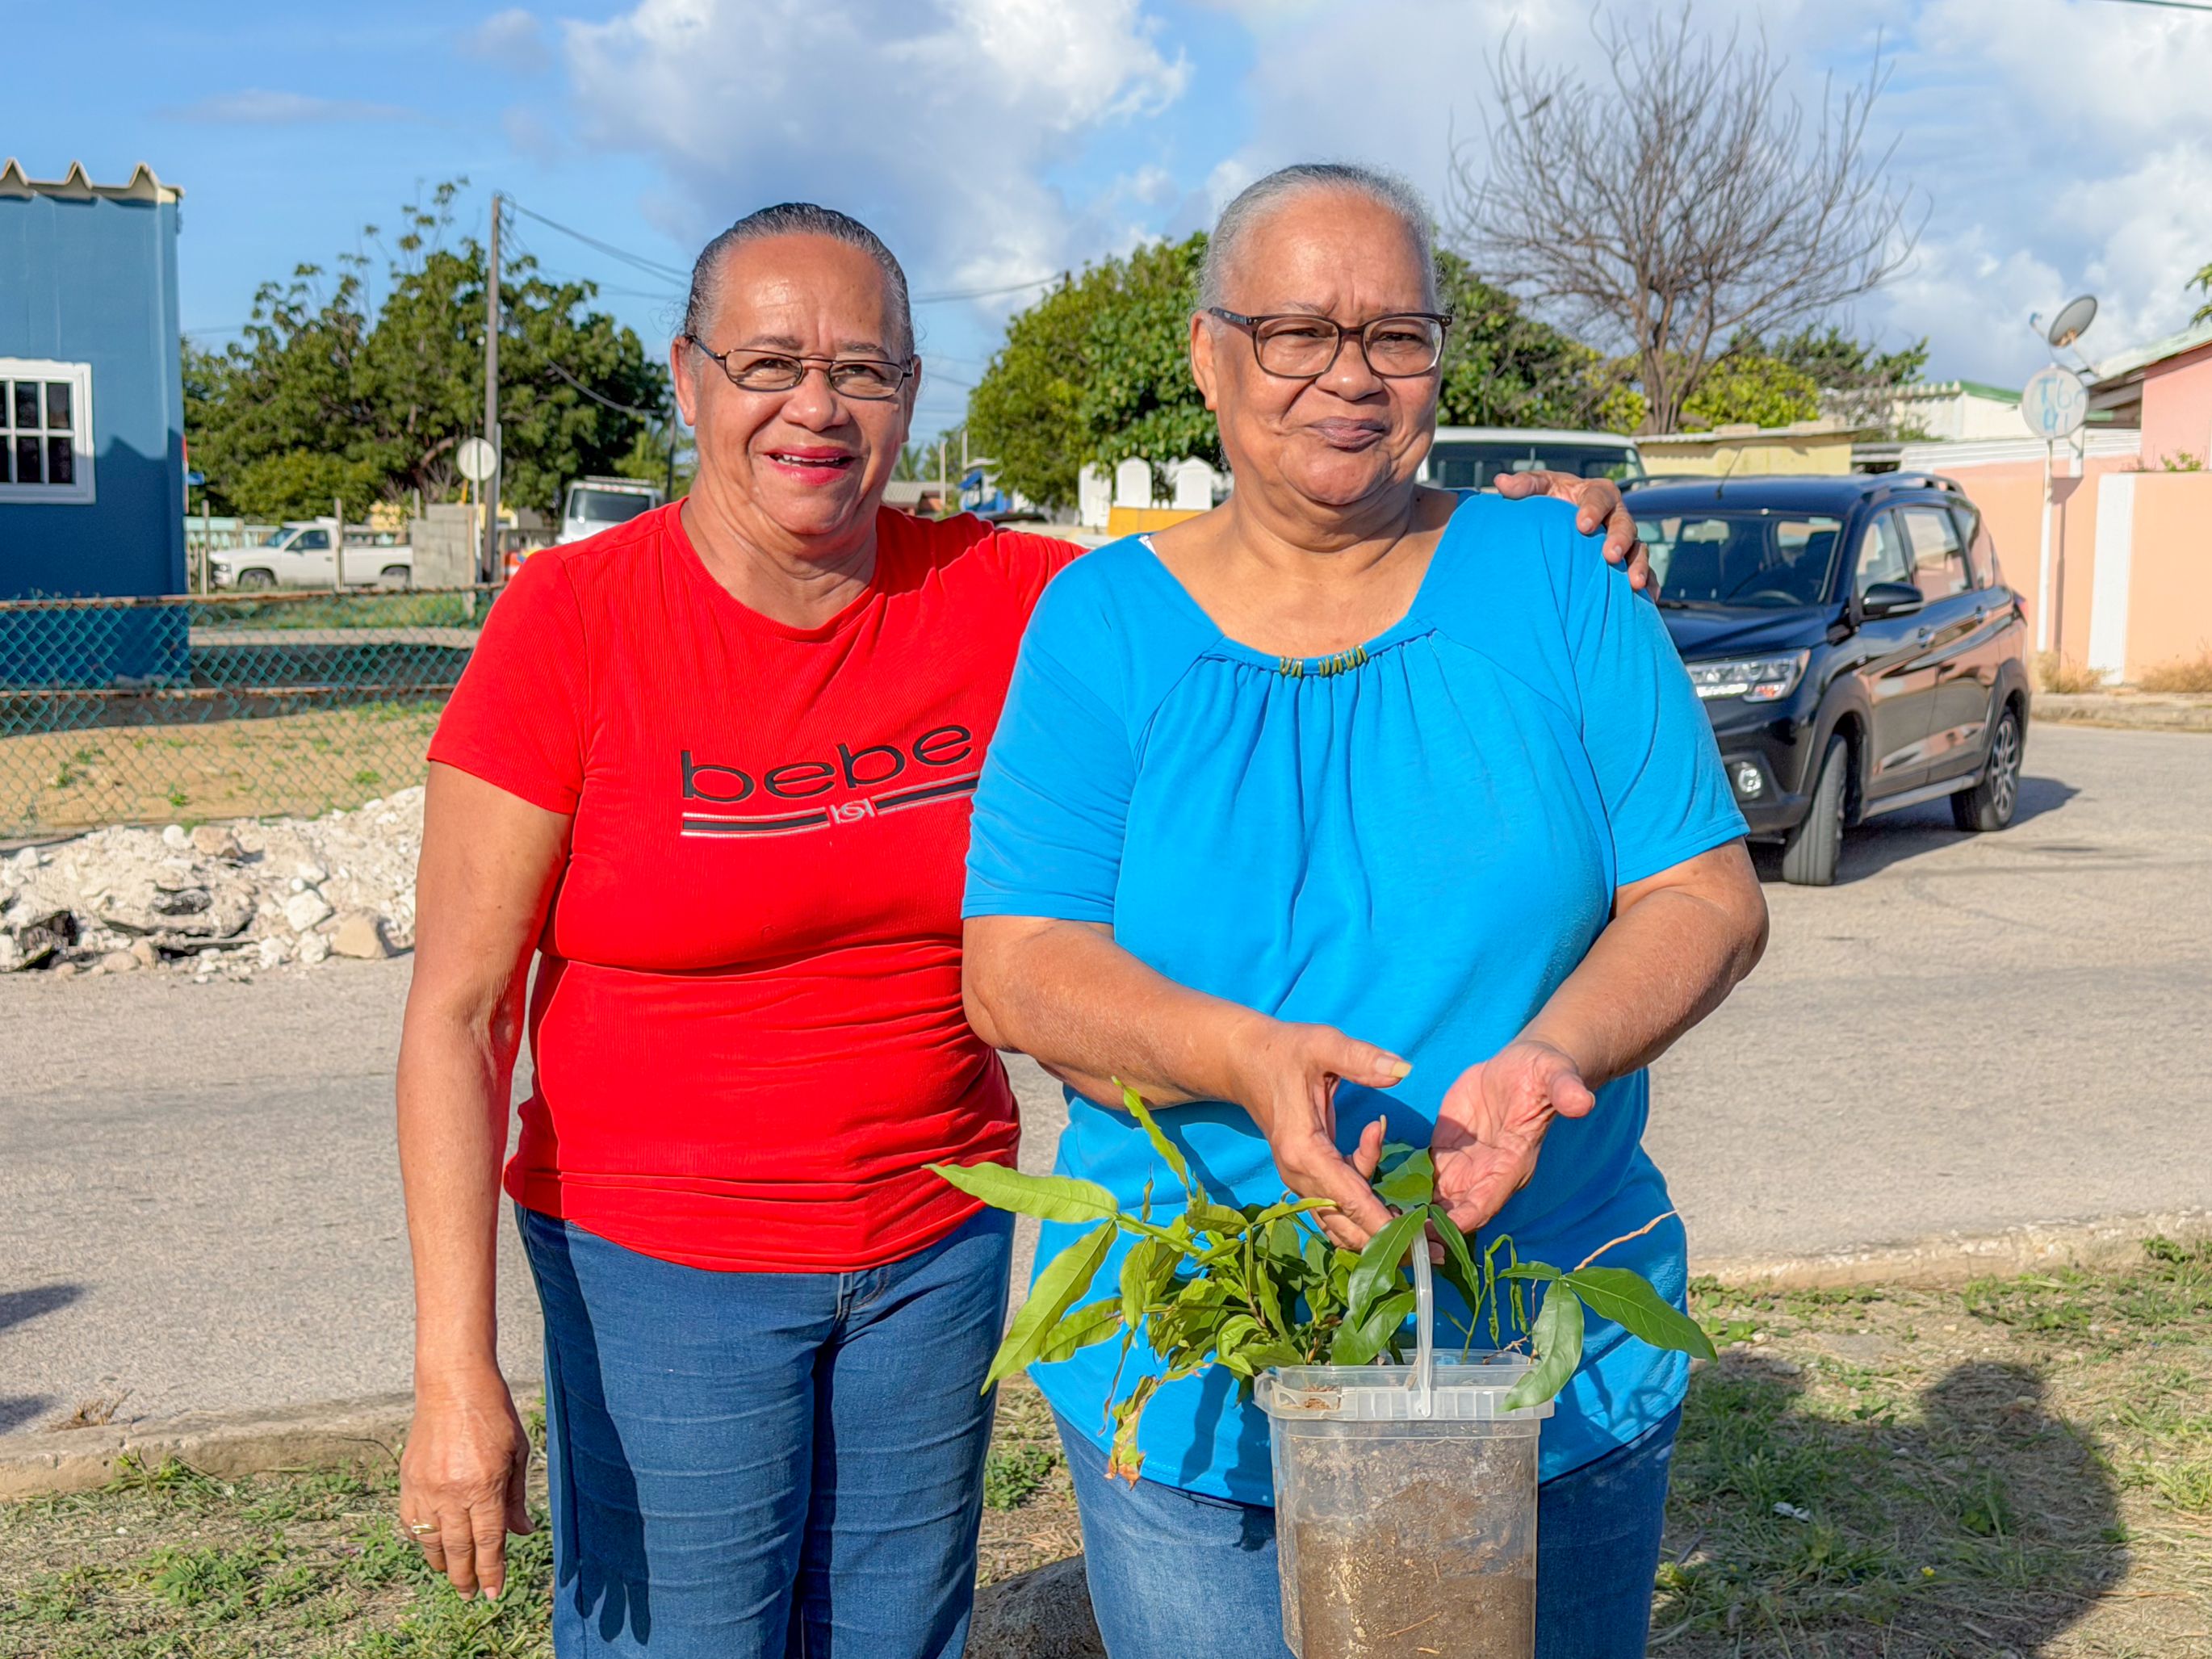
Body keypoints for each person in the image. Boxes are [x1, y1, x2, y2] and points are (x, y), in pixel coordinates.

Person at [392, 199, 1641, 1658]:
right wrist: (451, 1372)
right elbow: (458, 1016)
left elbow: (1265, 565)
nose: (816, 406)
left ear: (912, 395)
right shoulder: (575, 618)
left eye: (861, 369)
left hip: (932, 1251)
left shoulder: (1009, 598)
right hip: (664, 1266)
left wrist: (1518, 524)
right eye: (767, 363)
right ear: (687, 380)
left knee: (894, 1635)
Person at [961, 163, 1770, 1659]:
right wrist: (1240, 1059)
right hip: (1205, 1339)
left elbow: (1703, 894)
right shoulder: (1102, 628)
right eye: (1297, 333)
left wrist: (1551, 1058)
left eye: (1396, 335)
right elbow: (1018, 969)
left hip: (1539, 1327)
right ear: (1210, 354)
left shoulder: (1561, 579)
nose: (1351, 376)